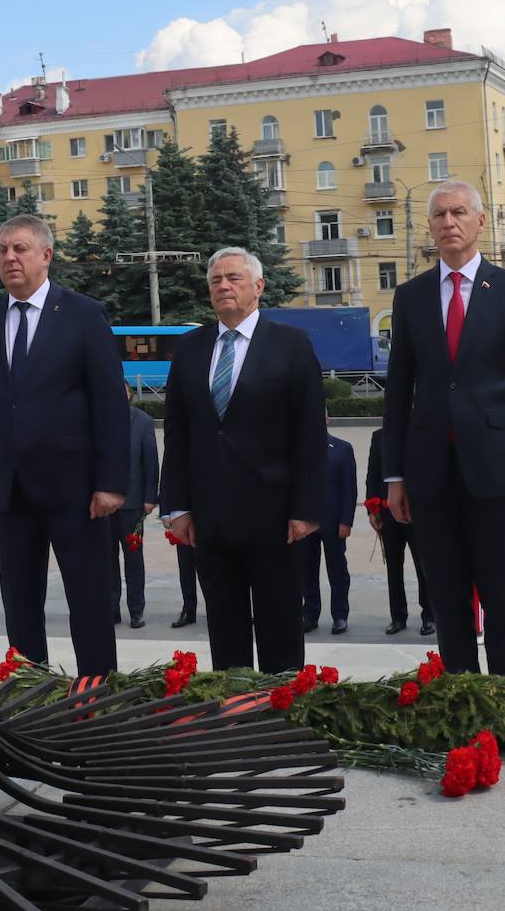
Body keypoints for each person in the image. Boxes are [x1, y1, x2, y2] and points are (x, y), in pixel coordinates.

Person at [382, 181, 505, 675]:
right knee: (446, 598)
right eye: (439, 215)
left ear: (480, 222)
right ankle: (459, 696)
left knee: (503, 598)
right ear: (430, 226)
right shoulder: (411, 296)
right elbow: (398, 392)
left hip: (497, 472)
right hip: (431, 475)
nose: (448, 222)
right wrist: (394, 476)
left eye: (459, 212)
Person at [0, 214, 129, 677]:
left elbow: (111, 405)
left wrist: (111, 482)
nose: (10, 258)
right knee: (20, 604)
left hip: (79, 493)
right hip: (11, 492)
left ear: (46, 255)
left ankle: (96, 695)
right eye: (3, 250)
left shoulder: (83, 315)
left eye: (21, 249)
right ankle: (30, 692)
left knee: (89, 602)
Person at [161, 247, 326, 672]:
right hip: (211, 518)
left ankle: (279, 707)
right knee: (224, 629)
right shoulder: (190, 348)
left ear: (258, 286)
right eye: (215, 280)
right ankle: (233, 708)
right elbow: (177, 433)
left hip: (276, 517)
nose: (223, 286)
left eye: (233, 278)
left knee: (280, 628)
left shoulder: (291, 345)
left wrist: (307, 509)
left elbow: (310, 433)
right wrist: (176, 505)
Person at [366, 426, 432, 636]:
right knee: (394, 568)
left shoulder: (420, 433)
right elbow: (372, 475)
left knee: (424, 567)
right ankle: (398, 616)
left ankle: (429, 616)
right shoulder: (379, 437)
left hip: (417, 514)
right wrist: (372, 510)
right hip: (388, 514)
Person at [299, 417, 357, 635]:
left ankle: (340, 615)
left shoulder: (342, 449)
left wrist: (346, 521)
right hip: (306, 523)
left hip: (333, 522)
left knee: (337, 570)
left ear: (327, 420)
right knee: (307, 570)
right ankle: (310, 614)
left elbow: (350, 489)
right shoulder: (300, 450)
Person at [109, 384, 159, 628]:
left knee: (134, 560)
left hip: (133, 504)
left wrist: (150, 498)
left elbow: (151, 462)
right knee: (107, 559)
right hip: (105, 505)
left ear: (129, 394)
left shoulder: (143, 422)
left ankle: (136, 610)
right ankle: (111, 608)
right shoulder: (100, 419)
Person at [171, 541, 199, 629]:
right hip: (184, 534)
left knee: (211, 568)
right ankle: (189, 610)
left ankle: (216, 609)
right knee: (185, 564)